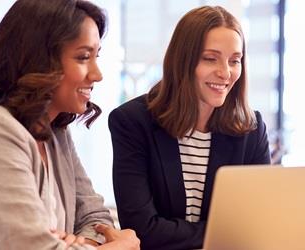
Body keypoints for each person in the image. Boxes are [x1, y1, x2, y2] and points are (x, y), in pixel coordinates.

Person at [0, 0, 139, 249]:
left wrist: (80, 241)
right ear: (39, 60)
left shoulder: (55, 133)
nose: (97, 74)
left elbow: (96, 218)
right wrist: (119, 247)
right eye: (84, 57)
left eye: (96, 56)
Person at [108, 5, 271, 250]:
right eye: (210, 58)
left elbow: (258, 226)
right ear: (182, 61)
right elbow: (142, 230)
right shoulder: (132, 122)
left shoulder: (251, 130)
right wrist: (222, 233)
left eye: (234, 61)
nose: (225, 73)